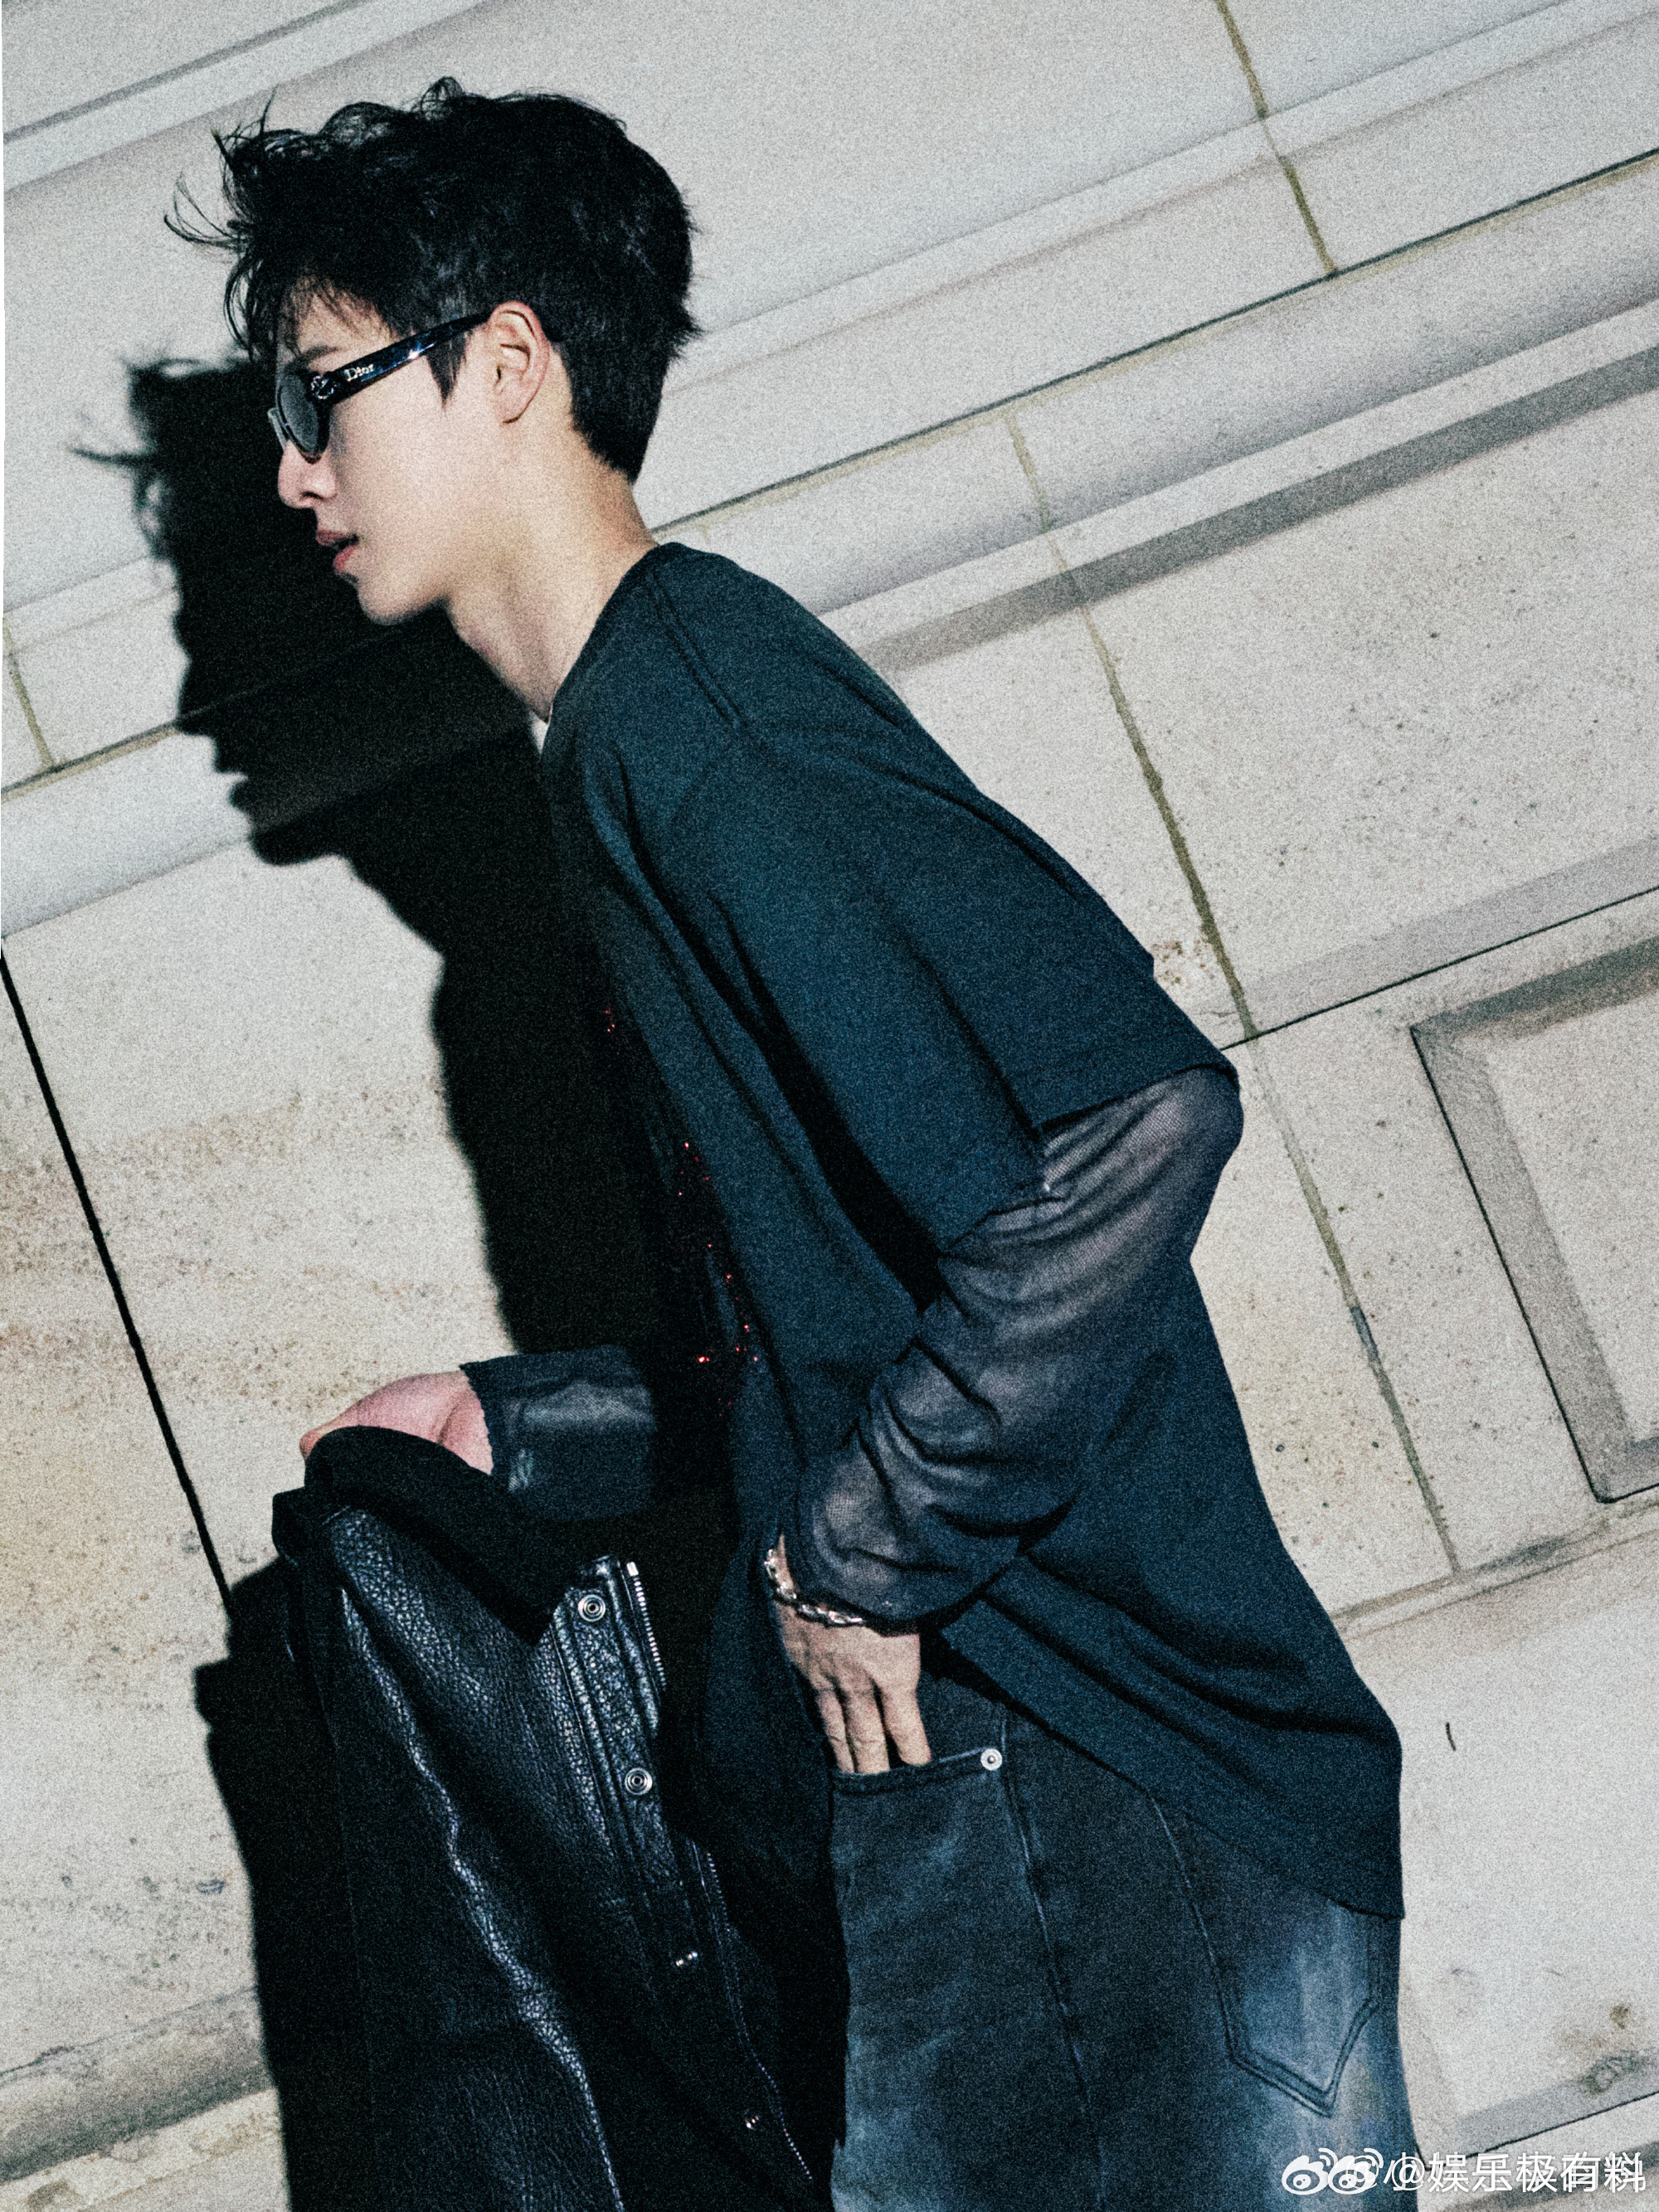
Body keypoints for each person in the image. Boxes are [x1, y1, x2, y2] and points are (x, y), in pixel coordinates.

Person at [194, 77, 1420, 2209]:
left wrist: (869, 1550)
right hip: (1011, 1781)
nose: (294, 468)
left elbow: (1132, 1117)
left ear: (508, 364)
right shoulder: (631, 736)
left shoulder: (702, 708)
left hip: (1079, 1765)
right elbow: (836, 1286)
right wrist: (534, 1416)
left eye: (323, 391)